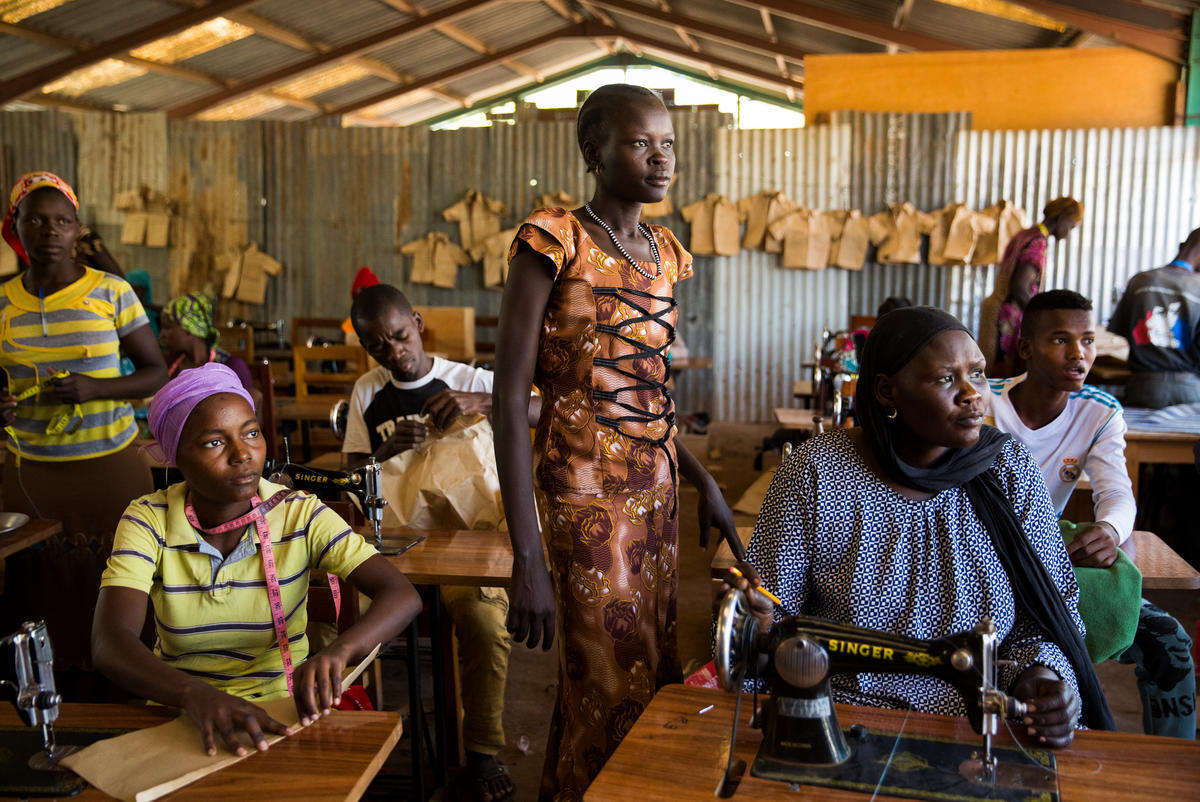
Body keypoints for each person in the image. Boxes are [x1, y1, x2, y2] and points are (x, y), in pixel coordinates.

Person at [495, 84, 741, 799]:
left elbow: (651, 401)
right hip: (583, 501)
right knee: (606, 680)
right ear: (593, 151)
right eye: (640, 143)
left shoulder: (664, 253)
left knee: (652, 675)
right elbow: (511, 399)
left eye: (667, 143)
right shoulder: (553, 241)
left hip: (659, 499)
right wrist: (527, 556)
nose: (660, 158)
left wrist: (707, 484)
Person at [731, 306, 1114, 746]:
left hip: (981, 719)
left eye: (978, 373)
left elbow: (1046, 613)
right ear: (887, 391)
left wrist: (1043, 680)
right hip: (842, 716)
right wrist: (755, 625)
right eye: (946, 379)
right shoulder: (816, 472)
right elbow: (769, 620)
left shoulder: (1008, 468)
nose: (972, 393)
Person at [92, 364, 420, 755]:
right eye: (214, 442)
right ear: (175, 455)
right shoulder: (149, 519)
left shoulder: (299, 514)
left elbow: (402, 595)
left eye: (251, 433)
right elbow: (110, 641)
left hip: (283, 710)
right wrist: (193, 694)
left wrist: (338, 653)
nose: (243, 454)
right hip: (180, 711)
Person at [343, 282, 539, 802]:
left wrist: (485, 400)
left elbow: (544, 411)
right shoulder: (368, 391)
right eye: (377, 346)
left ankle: (480, 751)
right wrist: (383, 449)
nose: (394, 352)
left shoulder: (465, 378)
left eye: (400, 336)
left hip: (460, 541)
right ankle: (350, 741)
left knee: (481, 622)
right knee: (337, 616)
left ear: (418, 322)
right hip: (396, 540)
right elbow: (350, 477)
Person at [987, 289, 1195, 738]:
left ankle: (1172, 764)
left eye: (1087, 340)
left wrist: (1109, 527)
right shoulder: (984, 404)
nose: (1078, 354)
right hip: (980, 562)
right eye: (1060, 340)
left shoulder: (1099, 413)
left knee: (1170, 643)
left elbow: (1117, 492)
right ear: (1025, 348)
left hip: (1049, 561)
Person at [0, 172, 167, 695]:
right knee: (32, 591)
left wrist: (96, 388)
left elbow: (156, 372)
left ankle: (122, 691)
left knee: (118, 578)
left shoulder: (110, 292)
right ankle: (45, 695)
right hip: (28, 475)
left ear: (78, 230)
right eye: (35, 220)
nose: (49, 230)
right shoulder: (2, 302)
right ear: (16, 229)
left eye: (61, 221)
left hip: (108, 470)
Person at [979, 197, 1083, 378]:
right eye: (1071, 226)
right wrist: (1043, 318)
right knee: (1006, 377)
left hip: (996, 308)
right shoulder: (1037, 242)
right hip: (1008, 315)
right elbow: (1020, 288)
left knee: (992, 375)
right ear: (1062, 219)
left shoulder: (1024, 234)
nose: (1068, 234)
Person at [1108, 227, 1200, 408]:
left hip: (1143, 388)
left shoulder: (1140, 281)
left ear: (1182, 246)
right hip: (1189, 390)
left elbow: (1122, 331)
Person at [160, 293, 254, 396]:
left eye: (167, 327)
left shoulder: (232, 368)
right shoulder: (169, 364)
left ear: (189, 328)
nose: (162, 334)